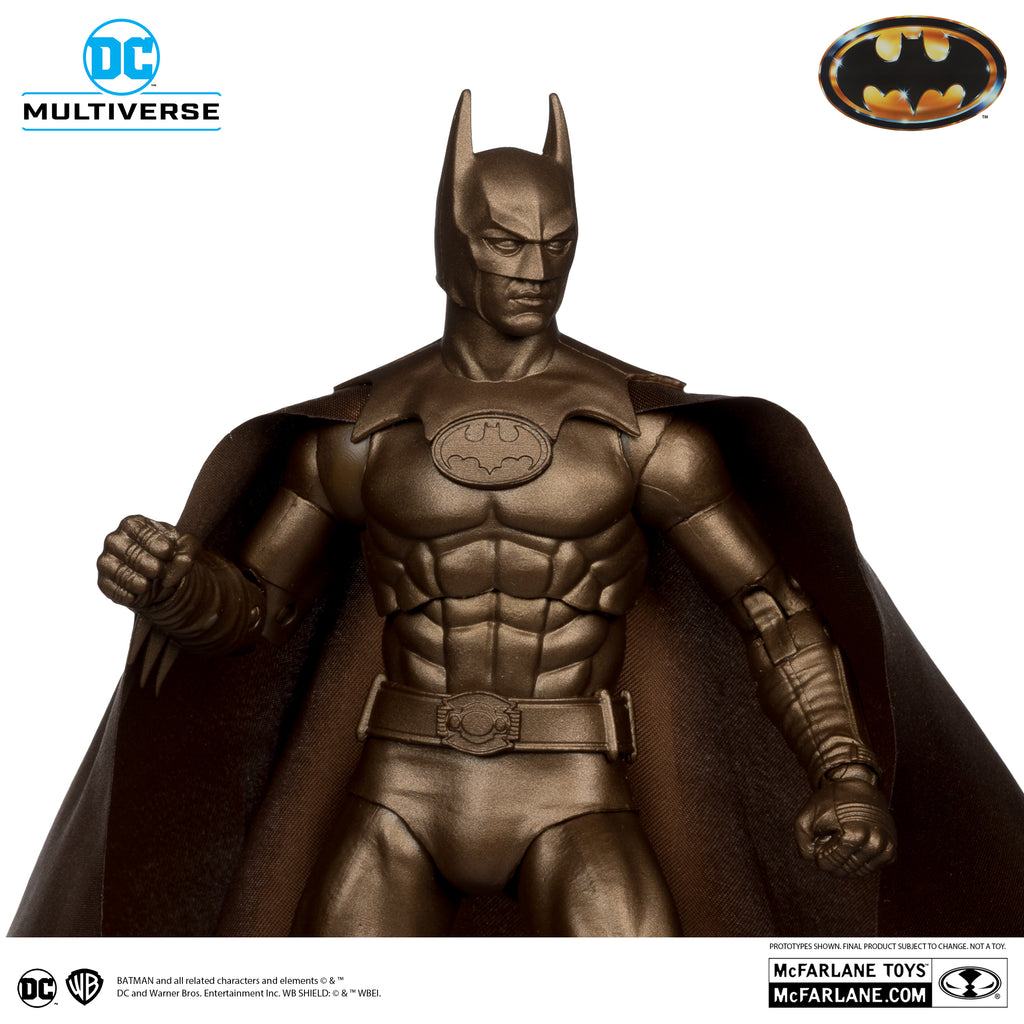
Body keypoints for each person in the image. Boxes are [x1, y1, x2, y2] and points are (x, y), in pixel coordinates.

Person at [11, 92, 1021, 938]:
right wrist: (176, 587)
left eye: (557, 244)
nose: (536, 270)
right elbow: (255, 610)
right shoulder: (361, 434)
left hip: (574, 787)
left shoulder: (641, 437)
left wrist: (844, 771)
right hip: (397, 785)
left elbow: (771, 609)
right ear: (450, 246)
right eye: (504, 243)